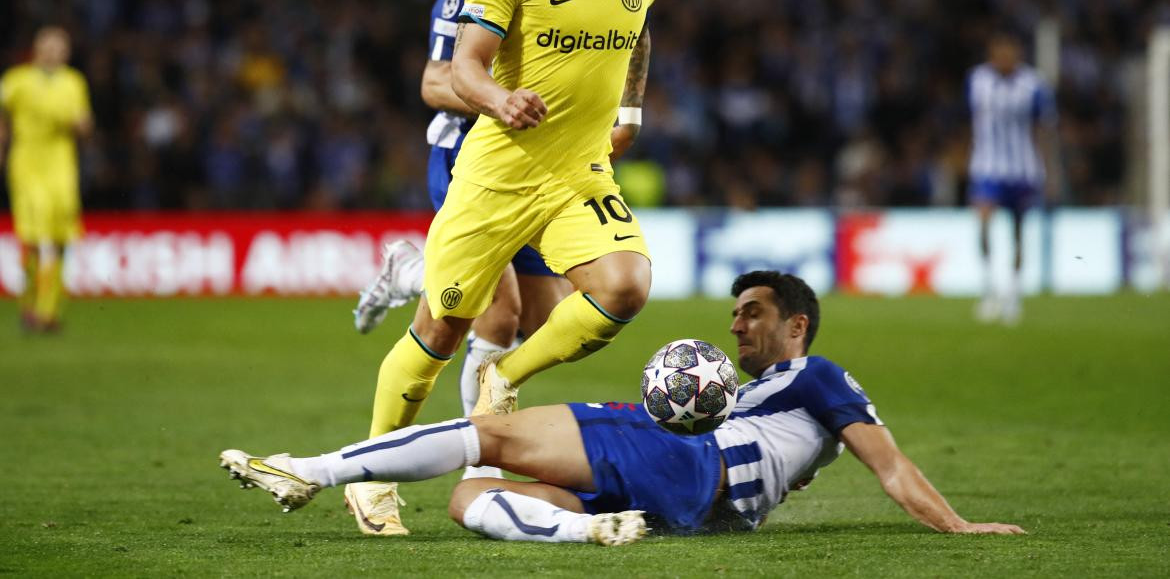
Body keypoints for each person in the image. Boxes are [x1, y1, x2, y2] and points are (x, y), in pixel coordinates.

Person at [336, 0, 657, 536]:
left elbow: (637, 32)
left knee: (623, 287)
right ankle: (370, 475)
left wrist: (630, 110)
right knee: (443, 331)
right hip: (493, 170)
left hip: (577, 173)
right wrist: (498, 98)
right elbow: (457, 68)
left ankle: (502, 379)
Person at [220, 270, 1026, 544]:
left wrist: (956, 527)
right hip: (690, 500)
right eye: (736, 314)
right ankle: (587, 528)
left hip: (690, 461)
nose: (737, 324)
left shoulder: (818, 375)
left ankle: (310, 471)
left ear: (797, 325)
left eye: (753, 312)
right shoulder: (760, 402)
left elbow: (887, 460)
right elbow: (796, 464)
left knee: (487, 435)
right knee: (473, 498)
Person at [353, 0, 573, 483]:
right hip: (466, 158)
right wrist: (498, 97)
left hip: (537, 170)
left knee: (547, 318)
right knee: (495, 311)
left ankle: (412, 270)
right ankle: (485, 461)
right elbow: (432, 81)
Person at [0, 26, 93, 333]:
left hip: (62, 165)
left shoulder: (73, 82)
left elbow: (85, 126)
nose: (54, 50)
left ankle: (50, 310)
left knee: (61, 236)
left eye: (60, 46)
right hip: (27, 162)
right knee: (36, 236)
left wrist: (82, 125)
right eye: (49, 44)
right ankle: (32, 307)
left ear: (67, 51)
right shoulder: (16, 80)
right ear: (37, 47)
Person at [967, 32, 1057, 324]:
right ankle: (988, 289)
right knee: (982, 222)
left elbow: (1044, 130)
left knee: (1018, 233)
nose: (1003, 57)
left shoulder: (1033, 85)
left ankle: (1013, 295)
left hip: (1023, 169)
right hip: (987, 168)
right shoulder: (977, 80)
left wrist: (1050, 171)